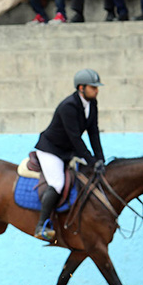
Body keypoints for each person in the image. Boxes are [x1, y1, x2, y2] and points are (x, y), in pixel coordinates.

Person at [33, 69, 105, 241]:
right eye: (93, 87)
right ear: (81, 88)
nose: (97, 90)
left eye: (96, 87)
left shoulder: (92, 104)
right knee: (57, 183)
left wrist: (100, 159)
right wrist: (90, 160)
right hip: (51, 150)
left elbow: (93, 133)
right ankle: (41, 225)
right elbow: (75, 138)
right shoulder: (69, 106)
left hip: (68, 151)